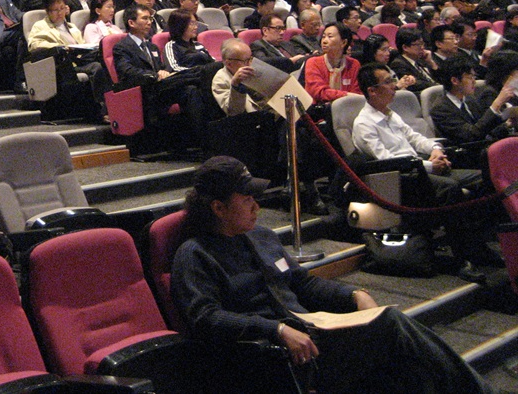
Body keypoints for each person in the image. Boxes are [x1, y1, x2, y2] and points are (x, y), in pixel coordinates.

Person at [171, 157, 497, 394]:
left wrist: (353, 295)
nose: (257, 206)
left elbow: (301, 282)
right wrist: (276, 329)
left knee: (401, 359)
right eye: (246, 200)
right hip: (267, 358)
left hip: (312, 333)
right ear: (217, 207)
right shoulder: (195, 254)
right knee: (393, 330)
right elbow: (206, 317)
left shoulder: (262, 237)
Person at [352, 63, 495, 282]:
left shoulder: (390, 113)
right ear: (372, 90)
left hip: (421, 170)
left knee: (484, 177)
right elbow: (387, 162)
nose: (394, 86)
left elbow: (415, 138)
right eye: (388, 82)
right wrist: (430, 165)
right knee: (451, 188)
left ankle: (479, 245)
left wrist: (435, 150)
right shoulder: (364, 123)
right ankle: (463, 258)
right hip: (402, 181)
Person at [113, 3, 208, 139]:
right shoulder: (121, 47)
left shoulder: (152, 47)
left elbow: (161, 68)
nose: (149, 22)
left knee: (192, 89)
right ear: (131, 22)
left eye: (150, 19)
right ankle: (203, 140)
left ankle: (199, 139)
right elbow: (127, 71)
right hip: (142, 90)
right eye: (145, 19)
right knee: (191, 83)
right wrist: (155, 75)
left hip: (159, 89)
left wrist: (164, 73)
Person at [429, 54, 514, 146]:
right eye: (470, 77)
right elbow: (471, 135)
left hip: (485, 147)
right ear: (455, 81)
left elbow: (487, 130)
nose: (474, 81)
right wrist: (497, 104)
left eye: (474, 77)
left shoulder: (469, 100)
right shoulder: (441, 109)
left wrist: (507, 125)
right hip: (465, 155)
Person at [303, 23, 361, 104]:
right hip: (319, 112)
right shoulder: (313, 62)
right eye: (323, 37)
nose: (324, 41)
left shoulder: (354, 64)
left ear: (343, 42)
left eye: (330, 37)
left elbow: (357, 94)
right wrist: (346, 95)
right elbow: (318, 92)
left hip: (347, 111)